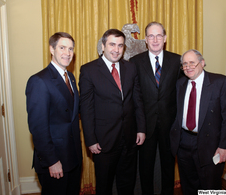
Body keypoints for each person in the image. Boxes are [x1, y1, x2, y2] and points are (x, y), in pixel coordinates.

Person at [79, 29, 146, 195]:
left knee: (127, 183)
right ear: (103, 46)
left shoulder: (130, 68)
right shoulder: (89, 70)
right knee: (104, 185)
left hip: (129, 138)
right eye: (112, 44)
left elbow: (137, 100)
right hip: (104, 141)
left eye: (120, 45)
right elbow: (86, 108)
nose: (116, 49)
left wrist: (141, 129)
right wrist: (91, 140)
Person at [170, 49, 226, 194]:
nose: (188, 67)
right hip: (183, 143)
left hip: (211, 145)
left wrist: (224, 146)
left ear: (202, 63)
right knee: (188, 186)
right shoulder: (179, 84)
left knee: (210, 185)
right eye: (185, 64)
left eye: (192, 62)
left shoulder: (220, 82)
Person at [26, 32, 82, 195]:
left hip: (73, 157)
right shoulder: (39, 81)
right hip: (55, 159)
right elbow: (38, 128)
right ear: (52, 49)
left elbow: (73, 112)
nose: (67, 53)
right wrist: (52, 161)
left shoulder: (70, 77)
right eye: (62, 48)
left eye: (71, 49)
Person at [129, 22, 181, 195]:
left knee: (168, 167)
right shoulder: (135, 62)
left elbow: (183, 92)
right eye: (151, 36)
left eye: (159, 35)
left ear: (165, 38)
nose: (155, 39)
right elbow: (133, 96)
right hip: (145, 126)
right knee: (145, 168)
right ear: (145, 39)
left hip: (170, 125)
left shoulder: (177, 61)